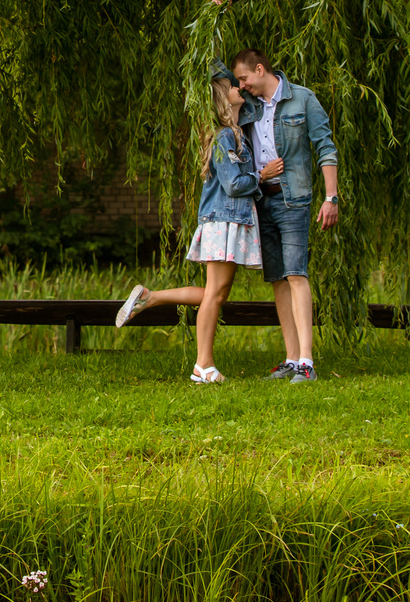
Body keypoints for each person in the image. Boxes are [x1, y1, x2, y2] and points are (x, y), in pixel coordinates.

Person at [112, 67, 262, 382]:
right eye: (233, 86)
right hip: (223, 222)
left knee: (216, 293)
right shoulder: (224, 136)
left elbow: (255, 104)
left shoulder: (232, 132)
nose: (240, 87)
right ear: (223, 98)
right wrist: (262, 176)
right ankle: (203, 365)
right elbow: (234, 184)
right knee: (215, 294)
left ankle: (150, 298)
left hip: (224, 222)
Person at [232, 48, 339, 382]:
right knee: (278, 278)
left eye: (244, 78)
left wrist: (331, 197)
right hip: (262, 200)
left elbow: (325, 147)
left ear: (260, 69)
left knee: (296, 274)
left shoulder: (302, 99)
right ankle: (292, 359)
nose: (241, 85)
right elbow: (216, 78)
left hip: (294, 200)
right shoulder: (248, 106)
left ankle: (307, 362)